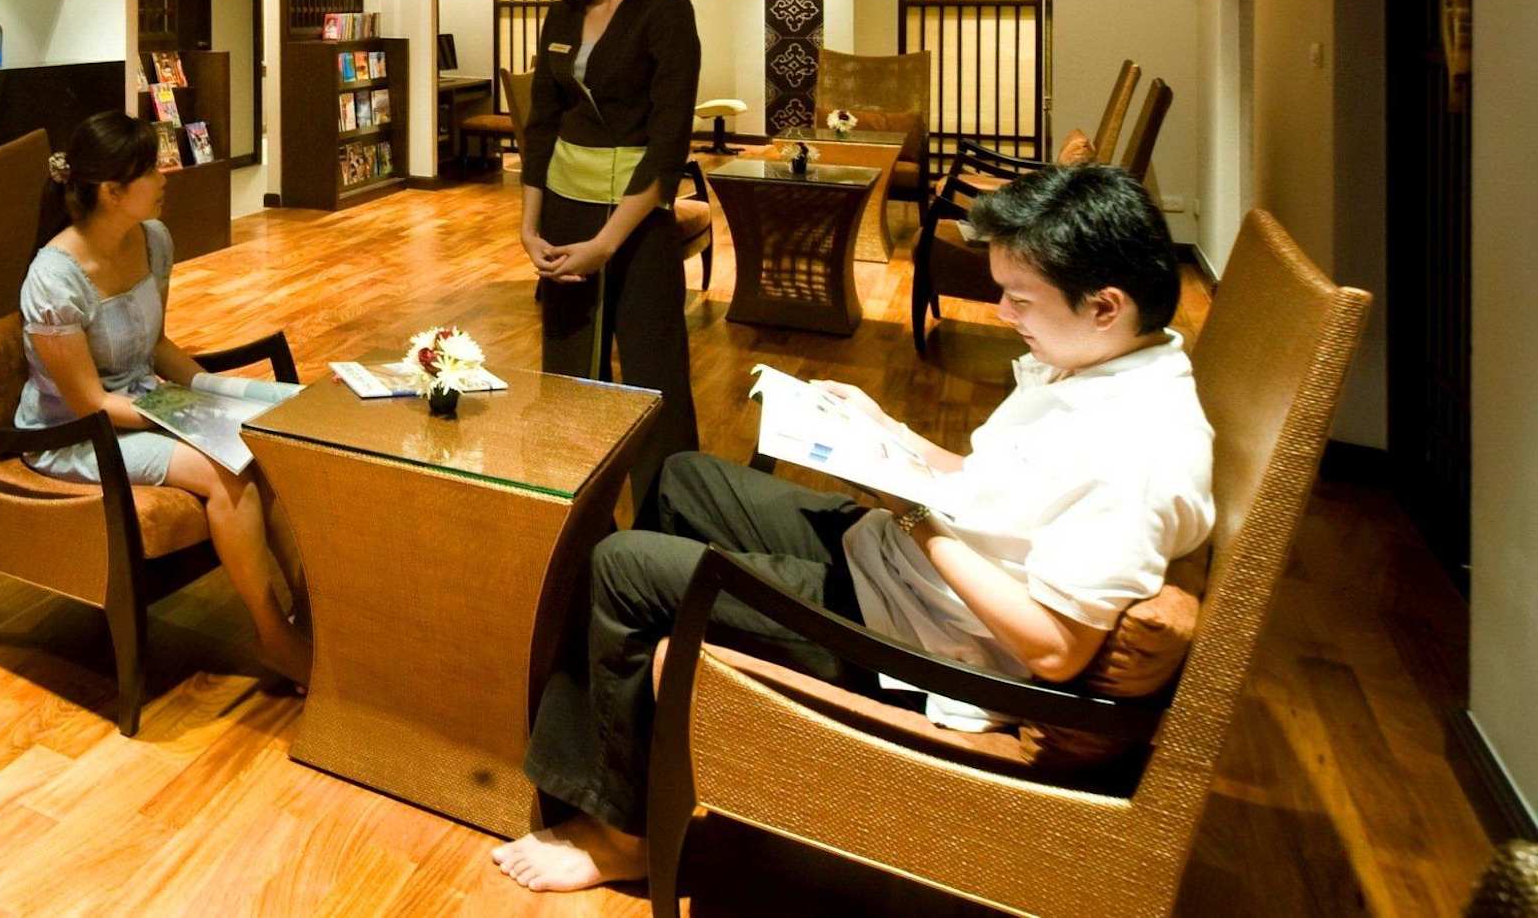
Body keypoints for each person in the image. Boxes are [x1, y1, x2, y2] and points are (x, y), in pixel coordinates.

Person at [495, 163, 1212, 893]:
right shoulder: (1100, 362)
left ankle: (625, 838)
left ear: (1105, 306)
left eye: (1020, 298)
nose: (1003, 313)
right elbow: (993, 485)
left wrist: (911, 512)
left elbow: (1056, 650)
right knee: (686, 478)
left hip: (915, 636)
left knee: (624, 567)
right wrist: (885, 431)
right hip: (903, 568)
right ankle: (651, 736)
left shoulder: (1136, 453)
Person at [18, 110, 311, 685]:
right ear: (112, 190)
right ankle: (274, 638)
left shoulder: (153, 240)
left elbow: (156, 346)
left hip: (144, 402)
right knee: (227, 469)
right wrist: (189, 418)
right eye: (152, 169)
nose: (165, 176)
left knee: (270, 442)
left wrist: (219, 393)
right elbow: (90, 404)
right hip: (78, 434)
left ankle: (317, 612)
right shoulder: (54, 279)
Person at [517, 0, 701, 507]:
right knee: (569, 371)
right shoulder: (562, 16)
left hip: (637, 218)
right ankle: (576, 519)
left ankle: (669, 527)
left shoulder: (666, 12)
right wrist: (529, 226)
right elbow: (541, 125)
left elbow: (668, 144)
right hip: (565, 208)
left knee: (654, 373)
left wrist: (607, 243)